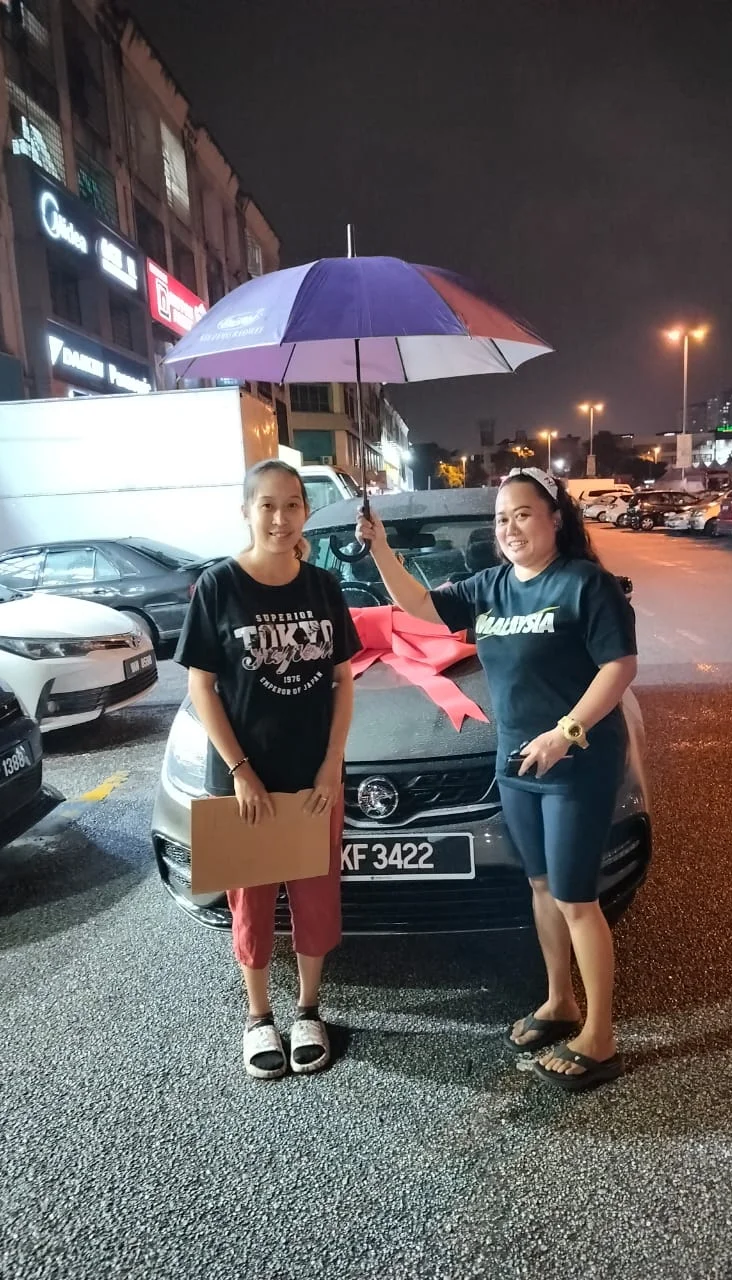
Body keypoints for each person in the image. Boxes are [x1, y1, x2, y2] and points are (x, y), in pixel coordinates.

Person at [356, 468, 638, 1092]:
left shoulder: (583, 584)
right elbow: (421, 607)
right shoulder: (493, 585)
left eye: (523, 514)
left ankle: (600, 1037)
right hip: (515, 763)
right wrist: (380, 548)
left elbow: (619, 667)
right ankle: (560, 1001)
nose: (509, 528)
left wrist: (565, 733)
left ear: (555, 519)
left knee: (576, 898)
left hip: (576, 764)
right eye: (501, 518)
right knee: (540, 886)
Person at [177, 459, 361, 1079]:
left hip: (313, 779)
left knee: (315, 898)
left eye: (292, 505)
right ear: (247, 512)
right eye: (268, 505)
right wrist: (239, 768)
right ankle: (258, 1017)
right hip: (244, 780)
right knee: (250, 905)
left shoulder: (323, 587)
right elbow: (202, 687)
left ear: (306, 512)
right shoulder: (218, 586)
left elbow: (342, 680)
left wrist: (332, 763)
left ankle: (308, 1009)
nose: (281, 518)